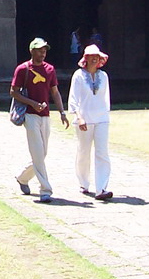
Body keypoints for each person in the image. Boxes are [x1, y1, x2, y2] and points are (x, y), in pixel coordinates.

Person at [12, 37, 69, 203]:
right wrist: (33, 104)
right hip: (30, 115)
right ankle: (45, 190)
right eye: (39, 50)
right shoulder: (23, 69)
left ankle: (22, 177)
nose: (43, 53)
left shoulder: (50, 69)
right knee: (37, 152)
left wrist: (62, 112)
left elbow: (55, 92)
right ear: (32, 51)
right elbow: (14, 92)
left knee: (42, 153)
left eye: (44, 50)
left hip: (45, 115)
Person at [67, 44, 113, 201]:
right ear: (85, 58)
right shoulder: (79, 76)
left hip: (101, 119)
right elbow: (74, 99)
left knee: (102, 152)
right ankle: (84, 183)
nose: (95, 59)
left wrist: (106, 114)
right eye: (91, 56)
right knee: (84, 152)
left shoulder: (103, 76)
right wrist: (79, 117)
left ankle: (101, 188)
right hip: (84, 120)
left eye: (97, 56)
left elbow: (105, 98)